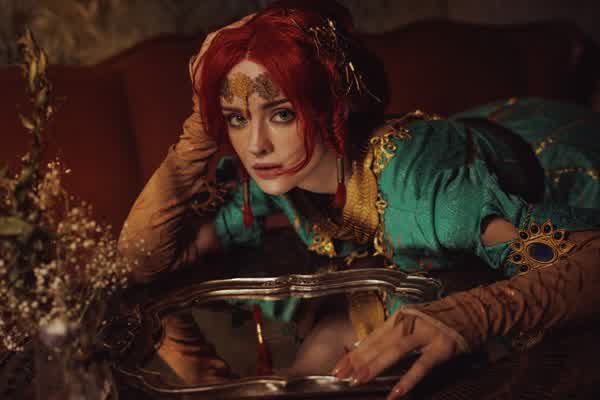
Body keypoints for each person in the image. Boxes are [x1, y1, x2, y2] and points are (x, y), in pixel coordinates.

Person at [118, 0, 600, 398]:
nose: (256, 145)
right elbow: (141, 260)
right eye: (237, 118)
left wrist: (469, 315)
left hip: (564, 160)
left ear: (336, 105)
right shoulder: (276, 177)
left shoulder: (432, 196)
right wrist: (200, 127)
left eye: (282, 114)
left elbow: (589, 260)